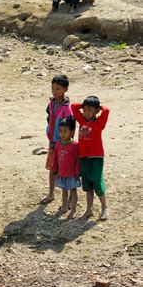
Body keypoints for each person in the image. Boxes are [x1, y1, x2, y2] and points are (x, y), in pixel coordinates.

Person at [71, 96, 110, 221]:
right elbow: (73, 106)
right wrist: (83, 105)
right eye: (85, 110)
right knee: (87, 184)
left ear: (96, 111)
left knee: (97, 182)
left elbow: (107, 110)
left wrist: (100, 108)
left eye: (90, 110)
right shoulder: (81, 120)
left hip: (96, 158)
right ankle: (89, 209)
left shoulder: (99, 123)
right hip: (83, 157)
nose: (86, 113)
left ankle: (104, 207)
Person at [41, 75, 73, 205]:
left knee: (67, 169)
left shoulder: (66, 108)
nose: (54, 91)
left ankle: (71, 198)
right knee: (52, 168)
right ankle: (51, 193)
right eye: (53, 88)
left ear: (65, 89)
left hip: (63, 143)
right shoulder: (52, 103)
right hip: (53, 142)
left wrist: (67, 142)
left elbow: (71, 126)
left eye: (58, 89)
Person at [52, 116, 81, 219]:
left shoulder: (75, 145)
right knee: (64, 191)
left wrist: (78, 172)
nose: (62, 134)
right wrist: (55, 169)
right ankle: (64, 206)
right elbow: (55, 157)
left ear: (72, 132)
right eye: (60, 131)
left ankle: (73, 210)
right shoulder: (58, 144)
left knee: (73, 192)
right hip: (62, 173)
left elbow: (78, 160)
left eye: (65, 131)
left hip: (72, 174)